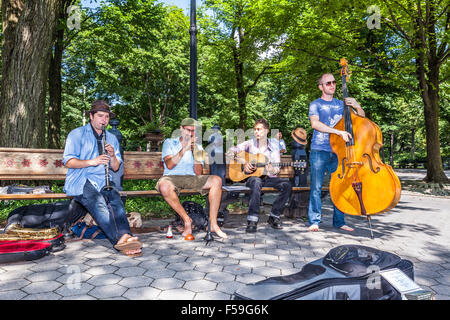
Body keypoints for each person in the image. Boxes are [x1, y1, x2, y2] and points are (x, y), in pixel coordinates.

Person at [63, 100, 142, 257]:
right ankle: (121, 240)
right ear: (91, 116)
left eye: (106, 117)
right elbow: (69, 161)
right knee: (99, 204)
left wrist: (112, 155)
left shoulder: (111, 138)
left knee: (116, 203)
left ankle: (126, 237)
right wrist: (92, 162)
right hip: (82, 180)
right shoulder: (76, 134)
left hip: (103, 180)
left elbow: (115, 167)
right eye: (100, 116)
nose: (104, 120)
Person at [308, 73, 365, 232]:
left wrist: (357, 105)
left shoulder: (342, 104)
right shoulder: (315, 104)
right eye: (328, 83)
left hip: (339, 152)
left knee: (340, 187)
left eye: (333, 82)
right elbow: (315, 124)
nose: (332, 85)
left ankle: (339, 222)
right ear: (321, 87)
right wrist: (338, 132)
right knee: (317, 187)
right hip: (319, 150)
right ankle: (314, 221)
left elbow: (361, 120)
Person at [156, 118, 227, 239]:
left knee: (217, 180)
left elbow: (198, 172)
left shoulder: (198, 146)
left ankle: (214, 224)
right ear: (181, 129)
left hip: (191, 178)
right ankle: (187, 220)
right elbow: (169, 165)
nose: (191, 133)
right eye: (188, 130)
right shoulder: (169, 142)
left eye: (194, 131)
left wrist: (195, 152)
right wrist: (184, 149)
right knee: (164, 186)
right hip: (171, 178)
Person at [226, 119, 292, 233]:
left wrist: (271, 169)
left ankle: (274, 216)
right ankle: (252, 219)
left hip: (268, 178)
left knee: (286, 185)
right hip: (252, 178)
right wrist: (244, 162)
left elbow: (276, 169)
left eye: (259, 129)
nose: (256, 132)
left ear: (266, 131)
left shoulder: (274, 147)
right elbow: (229, 152)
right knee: (256, 181)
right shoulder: (249, 143)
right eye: (255, 129)